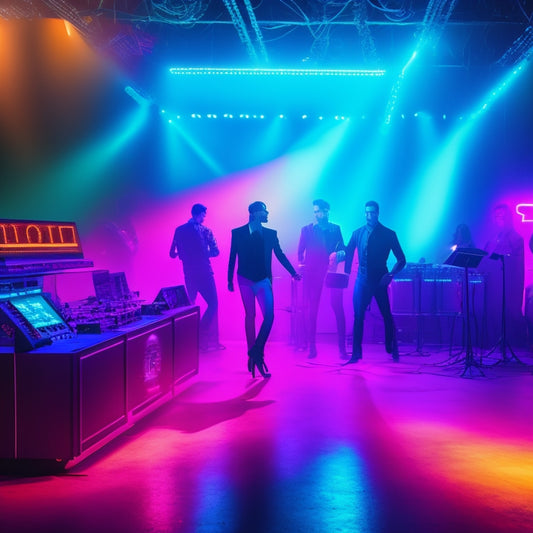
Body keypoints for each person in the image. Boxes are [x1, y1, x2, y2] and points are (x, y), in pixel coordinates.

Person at [228, 201, 301, 378]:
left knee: (269, 316)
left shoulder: (270, 234)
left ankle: (256, 351)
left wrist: (293, 272)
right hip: (244, 279)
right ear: (254, 213)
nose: (267, 213)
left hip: (262, 280)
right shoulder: (237, 232)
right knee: (250, 316)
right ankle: (254, 356)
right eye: (264, 211)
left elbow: (280, 255)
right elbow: (232, 256)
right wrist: (229, 280)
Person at [344, 200, 406, 363]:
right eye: (366, 212)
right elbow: (348, 251)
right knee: (358, 316)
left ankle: (391, 347)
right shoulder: (358, 233)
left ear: (378, 213)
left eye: (372, 212)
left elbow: (401, 259)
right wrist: (346, 272)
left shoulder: (388, 234)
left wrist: (391, 274)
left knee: (386, 314)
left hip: (380, 280)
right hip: (362, 280)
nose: (368, 215)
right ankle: (356, 354)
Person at [169, 203, 224, 351]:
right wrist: (204, 254)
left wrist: (183, 254)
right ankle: (201, 334)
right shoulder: (206, 231)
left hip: (189, 272)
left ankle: (187, 339)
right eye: (204, 214)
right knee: (213, 304)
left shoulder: (179, 230)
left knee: (190, 305)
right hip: (205, 272)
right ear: (200, 214)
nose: (205, 217)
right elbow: (216, 251)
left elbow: (172, 253)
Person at [298, 199, 347, 359]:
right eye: (315, 211)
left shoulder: (335, 229)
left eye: (319, 211)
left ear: (327, 211)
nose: (316, 214)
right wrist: (302, 266)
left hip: (332, 274)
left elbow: (343, 249)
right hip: (313, 275)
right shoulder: (307, 230)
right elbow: (300, 252)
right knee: (312, 310)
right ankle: (311, 347)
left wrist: (339, 254)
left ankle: (342, 348)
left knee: (338, 309)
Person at [482, 203, 526, 348]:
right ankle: (495, 343)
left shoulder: (515, 238)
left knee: (509, 314)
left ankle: (513, 345)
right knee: (494, 313)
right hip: (494, 284)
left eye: (502, 215)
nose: (499, 218)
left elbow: (514, 262)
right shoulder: (493, 238)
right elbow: (485, 258)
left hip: (509, 286)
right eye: (496, 215)